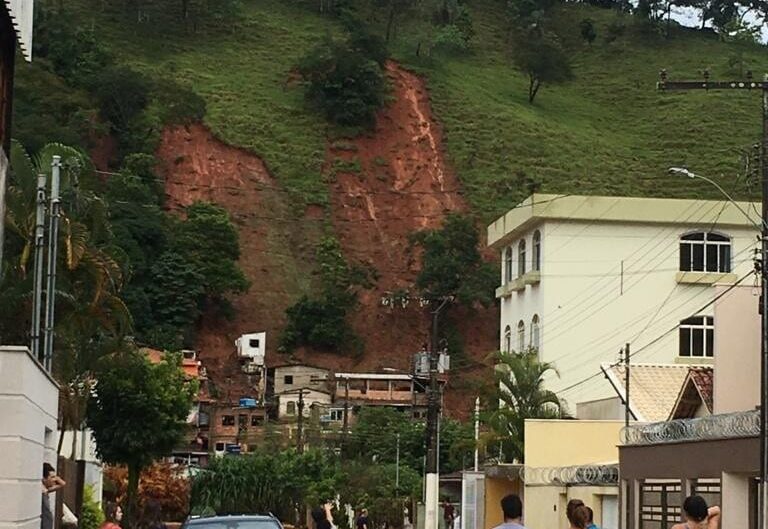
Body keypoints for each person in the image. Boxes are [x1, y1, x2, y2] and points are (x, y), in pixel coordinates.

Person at [41, 463, 66, 529]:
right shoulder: (41, 491)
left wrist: (55, 477)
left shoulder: (46, 490)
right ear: (44, 478)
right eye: (52, 477)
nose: (54, 480)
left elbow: (63, 484)